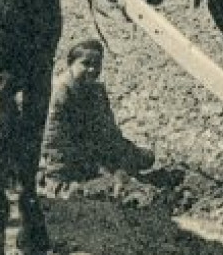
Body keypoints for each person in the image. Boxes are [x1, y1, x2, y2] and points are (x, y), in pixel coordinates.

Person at [37, 39, 155, 193]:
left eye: (97, 64)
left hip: (92, 147)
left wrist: (120, 153)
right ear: (71, 64)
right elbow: (52, 138)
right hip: (68, 151)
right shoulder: (60, 91)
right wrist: (57, 174)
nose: (92, 69)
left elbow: (108, 129)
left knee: (143, 159)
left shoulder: (96, 90)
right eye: (85, 64)